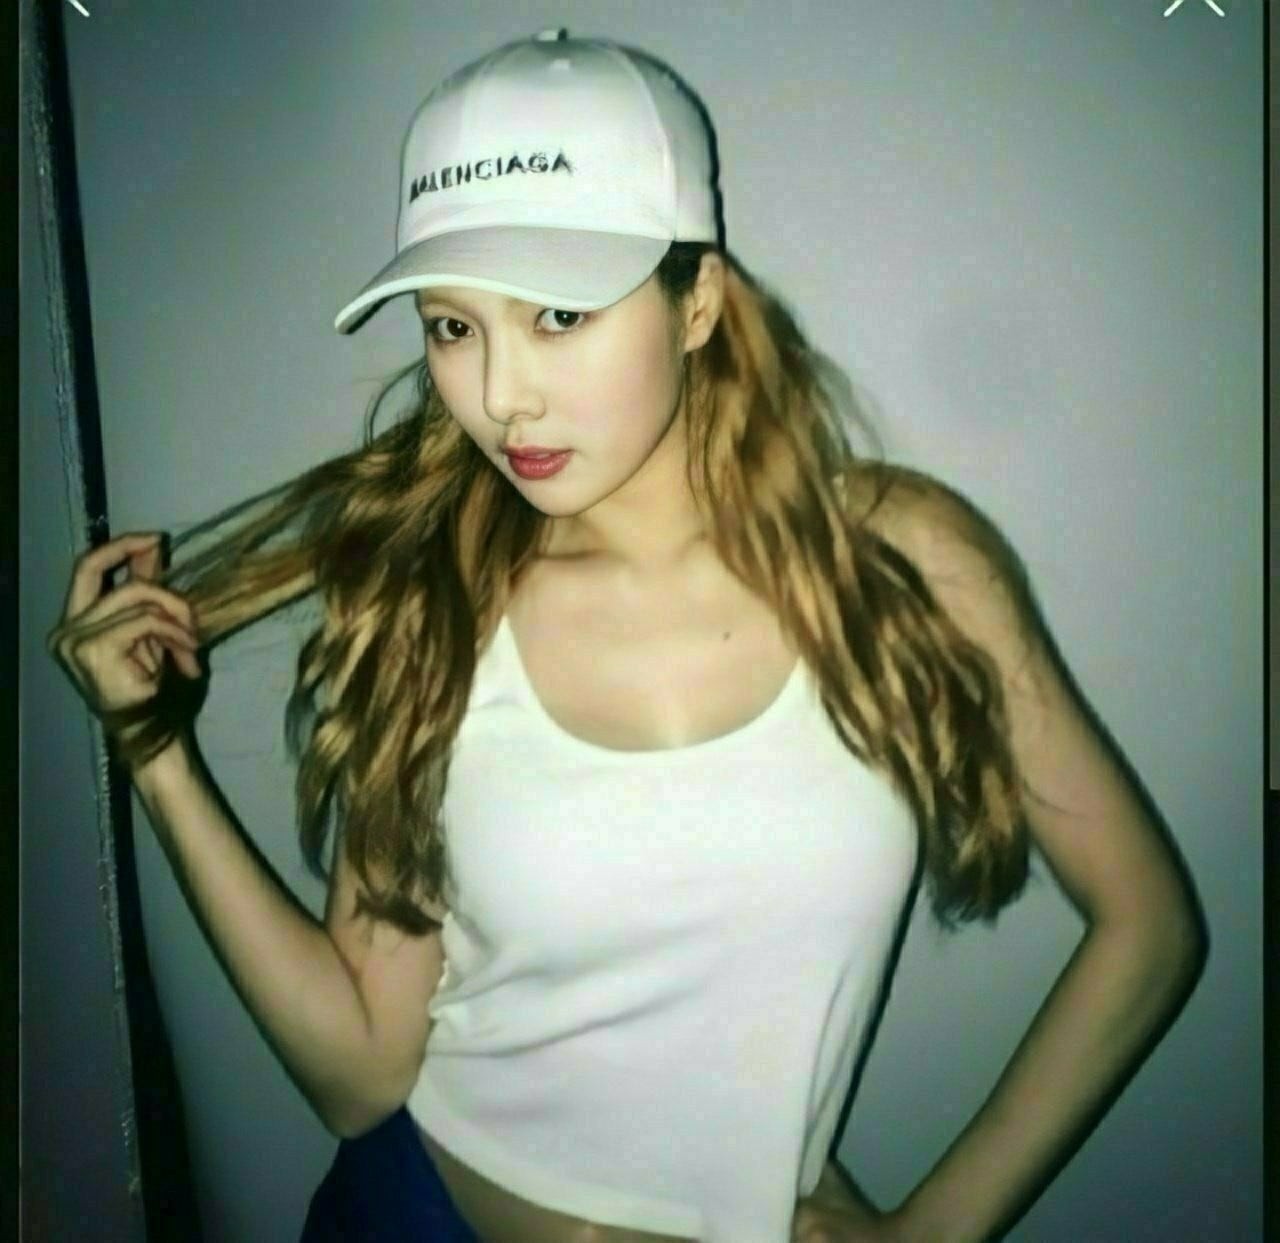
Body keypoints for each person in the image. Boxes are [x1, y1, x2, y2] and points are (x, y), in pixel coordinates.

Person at [46, 27, 1207, 1243]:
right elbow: (358, 1075)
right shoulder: (439, 602)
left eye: (557, 313)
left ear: (695, 301)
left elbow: (1147, 926)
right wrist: (155, 753)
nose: (501, 395)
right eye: (451, 326)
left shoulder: (901, 560)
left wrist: (930, 1232)